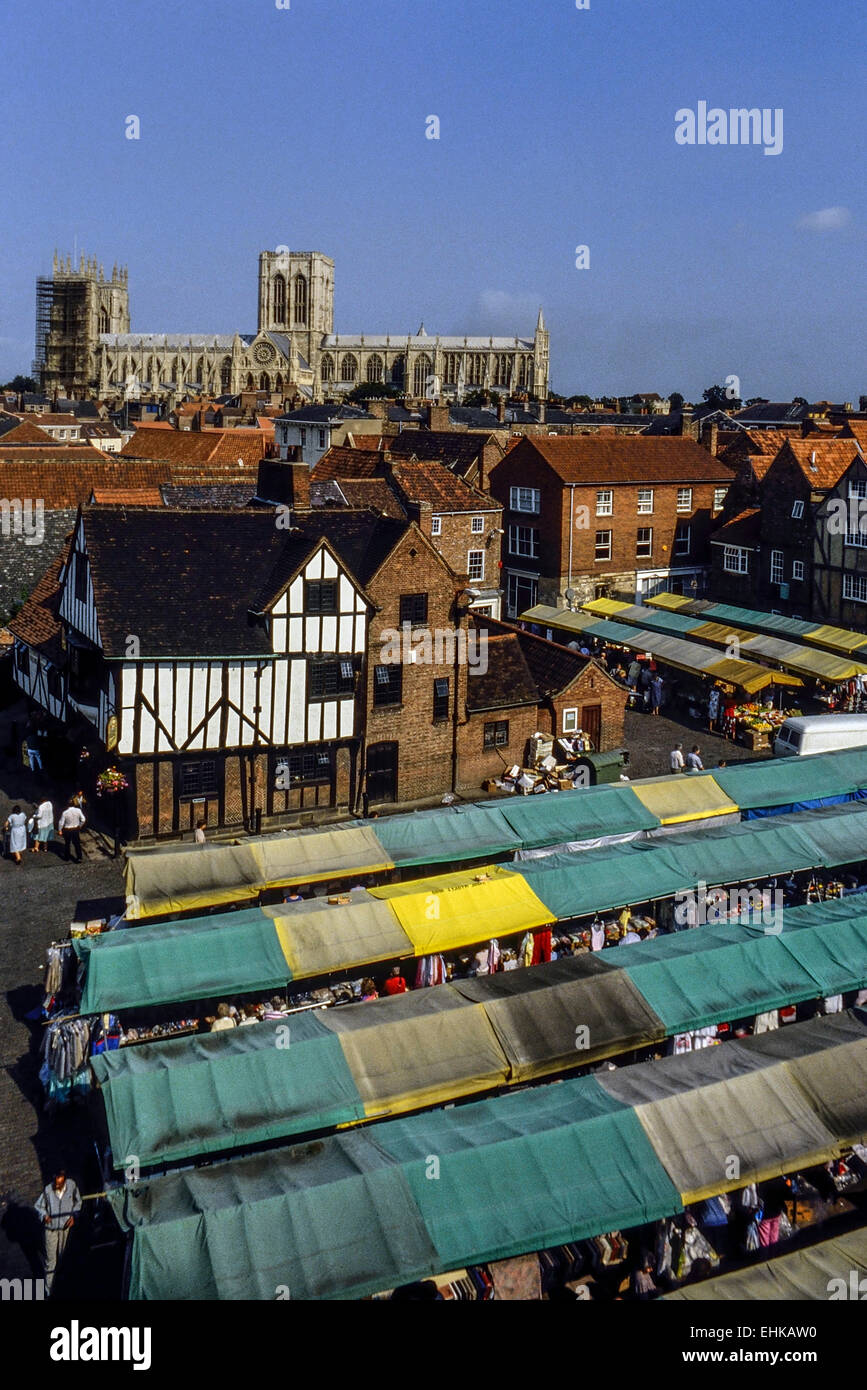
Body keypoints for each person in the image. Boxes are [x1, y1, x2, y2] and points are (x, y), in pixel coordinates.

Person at [35, 1170, 82, 1294]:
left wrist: (73, 1216)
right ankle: (49, 1290)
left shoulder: (72, 1186)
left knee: (63, 1257)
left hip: (65, 1228)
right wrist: (44, 1215)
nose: (56, 1185)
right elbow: (38, 1206)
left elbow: (79, 1202)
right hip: (50, 1229)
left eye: (59, 1183)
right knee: (51, 1261)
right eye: (55, 1182)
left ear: (64, 1180)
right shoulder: (48, 1190)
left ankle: (62, 1286)